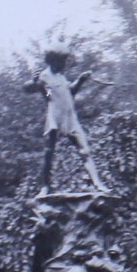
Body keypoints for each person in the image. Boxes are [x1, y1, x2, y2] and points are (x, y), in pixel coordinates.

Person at [23, 43, 110, 196]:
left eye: (64, 61)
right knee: (49, 153)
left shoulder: (61, 77)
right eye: (61, 61)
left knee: (85, 151)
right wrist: (36, 84)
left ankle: (97, 183)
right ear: (52, 60)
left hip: (70, 117)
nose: (64, 64)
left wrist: (81, 80)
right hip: (55, 116)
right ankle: (45, 187)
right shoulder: (44, 76)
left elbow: (70, 93)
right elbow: (31, 89)